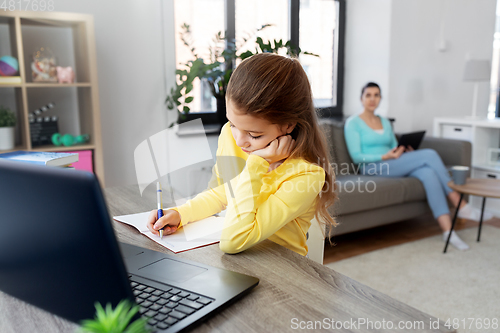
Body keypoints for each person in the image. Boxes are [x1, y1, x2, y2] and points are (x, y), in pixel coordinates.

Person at [146, 53, 337, 256]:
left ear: (288, 125)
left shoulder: (306, 175)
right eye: (233, 124)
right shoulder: (232, 136)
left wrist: (256, 164)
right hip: (237, 261)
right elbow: (223, 194)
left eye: (254, 135)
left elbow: (234, 241)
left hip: (279, 271)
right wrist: (180, 213)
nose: (239, 140)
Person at [344, 82, 493, 251]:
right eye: (368, 95)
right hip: (371, 167)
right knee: (429, 154)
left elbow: (394, 146)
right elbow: (356, 157)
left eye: (376, 95)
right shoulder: (353, 123)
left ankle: (448, 231)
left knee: (428, 172)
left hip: (392, 162)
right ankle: (460, 203)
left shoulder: (385, 122)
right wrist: (385, 156)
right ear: (361, 98)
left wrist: (403, 151)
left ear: (380, 98)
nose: (372, 99)